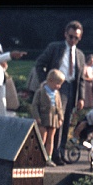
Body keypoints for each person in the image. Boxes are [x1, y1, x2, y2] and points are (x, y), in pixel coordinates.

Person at [34, 21, 85, 165]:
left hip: (71, 88)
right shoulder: (55, 47)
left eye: (76, 38)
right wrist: (45, 83)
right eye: (71, 37)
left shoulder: (80, 55)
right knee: (56, 122)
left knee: (66, 121)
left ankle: (60, 152)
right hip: (56, 87)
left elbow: (80, 78)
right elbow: (39, 64)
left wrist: (81, 97)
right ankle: (53, 154)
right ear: (65, 34)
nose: (73, 40)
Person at [31, 69, 65, 164]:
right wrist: (36, 116)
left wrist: (60, 118)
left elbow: (59, 107)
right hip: (43, 118)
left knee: (51, 139)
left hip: (53, 119)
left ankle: (48, 158)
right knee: (42, 138)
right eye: (57, 83)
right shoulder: (40, 92)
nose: (59, 86)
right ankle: (38, 156)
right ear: (50, 80)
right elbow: (34, 105)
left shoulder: (56, 93)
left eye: (60, 84)